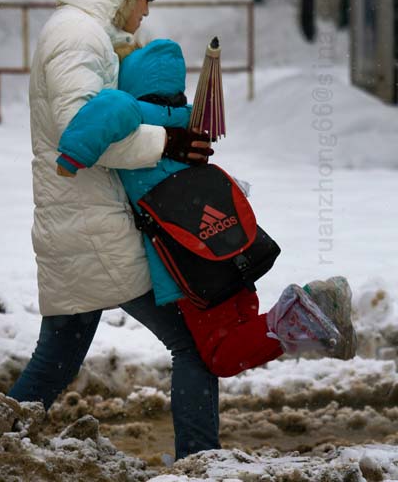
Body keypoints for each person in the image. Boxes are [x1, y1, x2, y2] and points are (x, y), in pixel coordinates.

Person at [8, 0, 220, 461]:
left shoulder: (79, 33)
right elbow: (83, 130)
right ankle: (200, 464)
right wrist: (168, 139)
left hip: (77, 222)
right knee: (194, 343)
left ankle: (4, 444)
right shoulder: (78, 36)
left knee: (55, 360)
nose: (148, 8)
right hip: (93, 226)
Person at [55, 38, 357, 376]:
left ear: (133, 83)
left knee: (221, 355)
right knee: (243, 331)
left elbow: (109, 107)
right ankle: (309, 317)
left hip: (193, 260)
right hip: (231, 248)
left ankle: (306, 311)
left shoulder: (134, 113)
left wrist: (72, 155)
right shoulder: (189, 120)